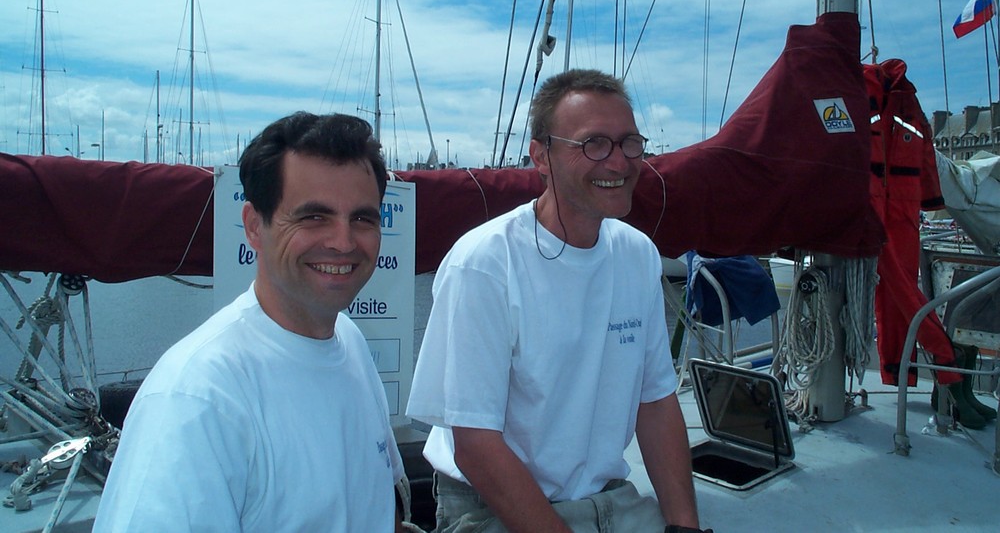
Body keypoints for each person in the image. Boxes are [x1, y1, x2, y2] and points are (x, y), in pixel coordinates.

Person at [407, 70, 705, 532]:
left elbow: (655, 401)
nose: (619, 163)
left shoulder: (637, 255)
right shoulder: (486, 263)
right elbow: (475, 443)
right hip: (490, 505)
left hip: (604, 496)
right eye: (594, 144)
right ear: (541, 155)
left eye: (629, 143)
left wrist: (685, 526)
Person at [94, 112, 407, 532]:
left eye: (363, 219)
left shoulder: (349, 342)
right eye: (313, 217)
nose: (343, 241)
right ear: (254, 227)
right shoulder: (196, 399)